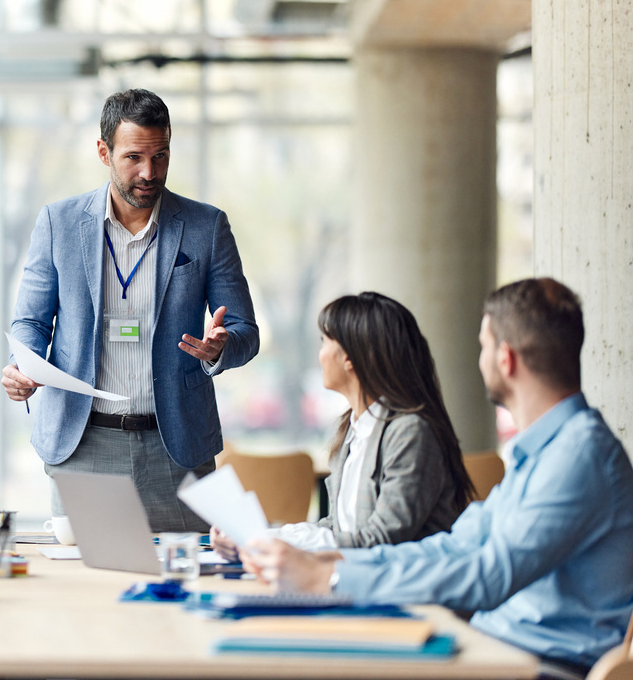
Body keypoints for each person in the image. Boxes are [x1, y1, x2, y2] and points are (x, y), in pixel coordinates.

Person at [244, 278, 633, 674]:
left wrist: (332, 577)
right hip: (496, 646)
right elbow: (453, 546)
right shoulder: (540, 451)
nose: (478, 359)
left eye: (482, 346)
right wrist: (333, 563)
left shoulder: (578, 455)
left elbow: (489, 574)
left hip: (544, 663)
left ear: (506, 359)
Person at [2, 88, 259, 531]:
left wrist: (222, 347)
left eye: (161, 156)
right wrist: (21, 365)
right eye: (134, 157)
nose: (149, 172)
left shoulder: (205, 227)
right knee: (88, 591)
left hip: (176, 444)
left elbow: (244, 329)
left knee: (186, 581)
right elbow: (30, 320)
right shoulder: (58, 224)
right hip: (83, 443)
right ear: (104, 152)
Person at [218, 292, 473, 554]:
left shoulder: (409, 433)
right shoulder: (353, 429)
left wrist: (273, 544)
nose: (320, 355)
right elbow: (336, 528)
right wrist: (255, 538)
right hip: (356, 582)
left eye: (325, 341)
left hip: (399, 589)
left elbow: (381, 540)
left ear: (349, 356)